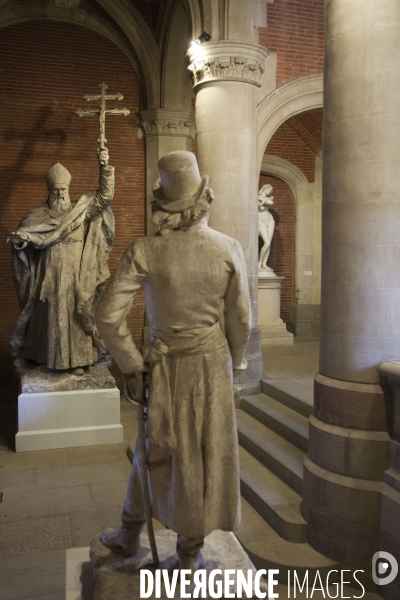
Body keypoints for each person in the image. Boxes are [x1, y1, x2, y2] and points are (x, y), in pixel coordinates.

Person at [95, 150, 251, 570]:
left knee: (154, 449)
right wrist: (235, 364)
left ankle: (133, 533)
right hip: (210, 366)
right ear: (204, 198)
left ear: (165, 204)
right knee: (200, 453)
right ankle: (184, 552)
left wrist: (132, 364)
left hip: (162, 367)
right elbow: (240, 319)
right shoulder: (228, 248)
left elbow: (107, 317)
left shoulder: (145, 250)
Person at [9, 148, 115, 371]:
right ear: (49, 189)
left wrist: (104, 167)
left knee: (78, 313)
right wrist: (22, 238)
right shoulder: (37, 214)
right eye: (56, 189)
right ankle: (47, 359)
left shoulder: (80, 211)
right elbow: (28, 233)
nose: (60, 193)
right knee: (47, 316)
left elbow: (105, 197)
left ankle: (79, 361)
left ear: (69, 188)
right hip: (48, 275)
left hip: (77, 273)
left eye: (63, 189)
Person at [258, 183, 275, 271]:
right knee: (267, 243)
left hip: (270, 220)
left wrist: (264, 200)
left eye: (271, 190)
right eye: (269, 189)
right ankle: (259, 262)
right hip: (260, 221)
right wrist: (265, 199)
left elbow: (271, 202)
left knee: (269, 244)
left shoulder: (260, 198)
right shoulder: (256, 196)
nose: (270, 191)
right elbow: (257, 205)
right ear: (264, 188)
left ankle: (264, 263)